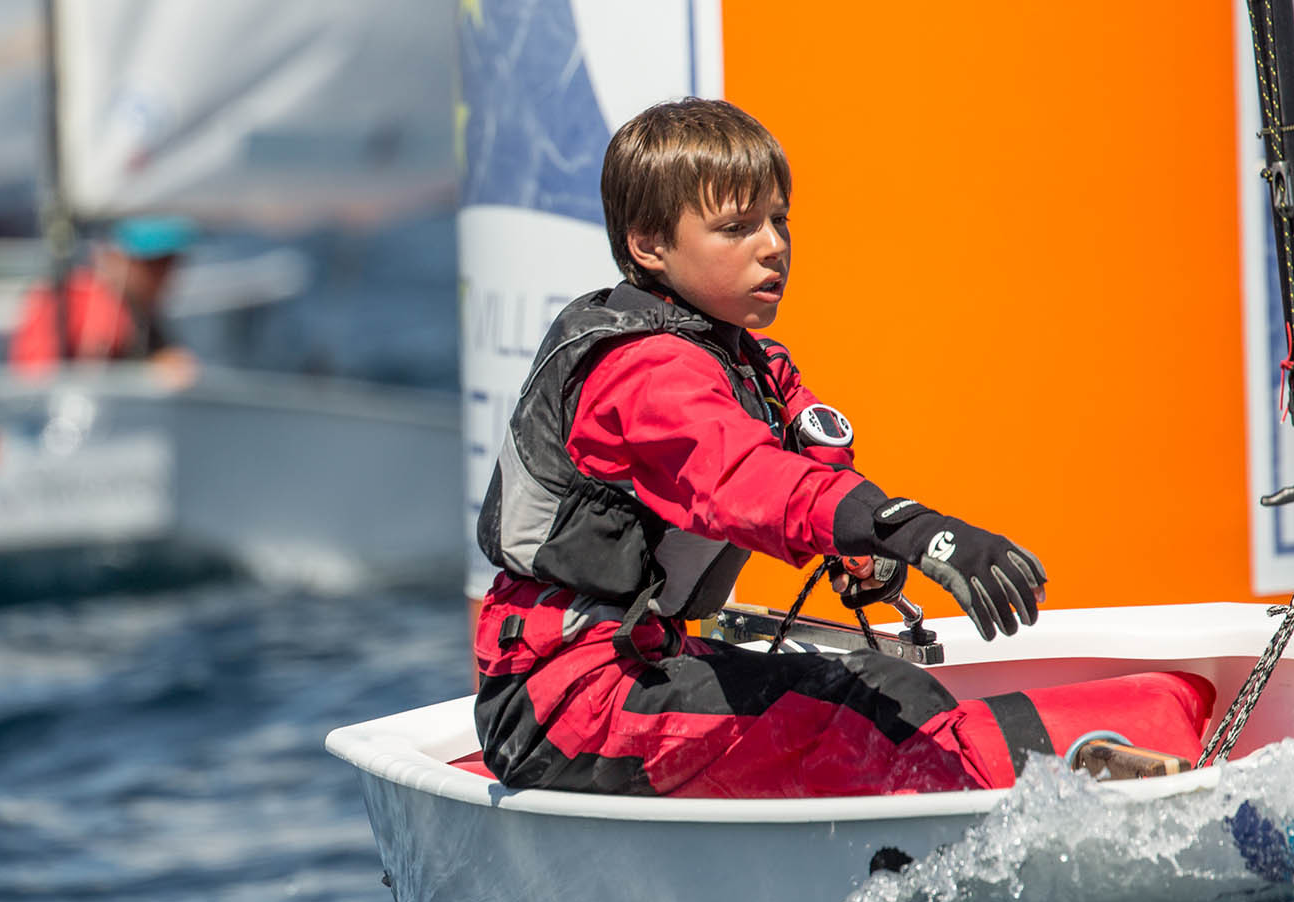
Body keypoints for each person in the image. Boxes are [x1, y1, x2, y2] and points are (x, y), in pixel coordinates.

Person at [471, 98, 1211, 799]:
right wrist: (925, 534)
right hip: (560, 703)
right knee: (863, 721)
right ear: (649, 246)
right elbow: (749, 479)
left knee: (894, 692)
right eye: (737, 228)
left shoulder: (752, 363)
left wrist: (870, 556)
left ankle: (1084, 767)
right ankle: (1067, 785)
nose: (774, 247)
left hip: (642, 662)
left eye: (779, 221)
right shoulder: (643, 371)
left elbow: (814, 465)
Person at [8, 216, 199, 386]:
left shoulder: (141, 313)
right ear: (113, 256)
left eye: (168, 264)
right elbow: (36, 384)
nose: (164, 276)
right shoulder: (66, 302)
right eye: (151, 265)